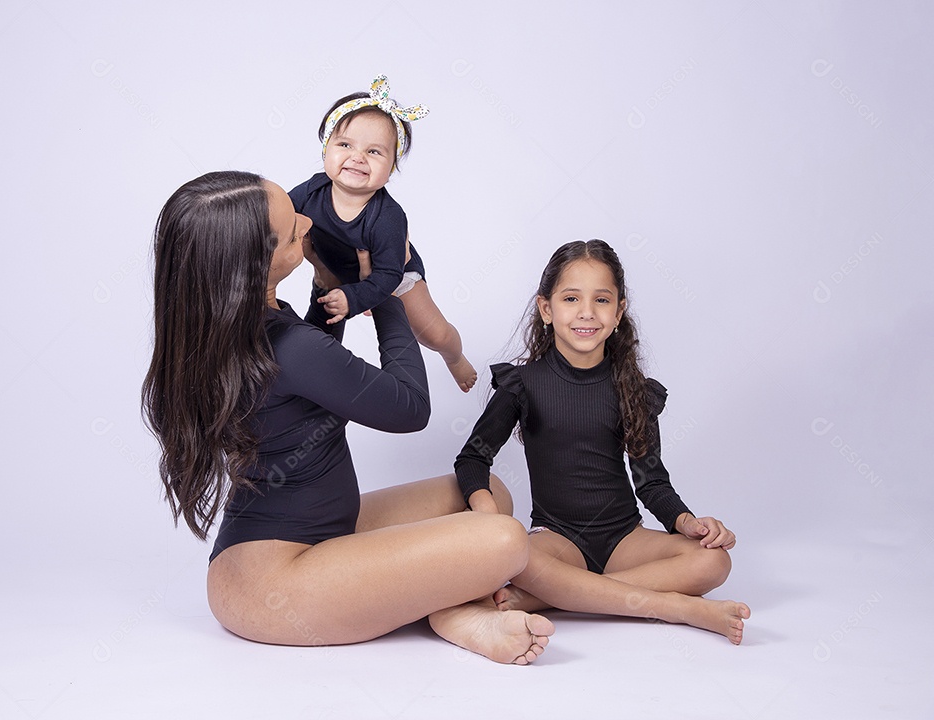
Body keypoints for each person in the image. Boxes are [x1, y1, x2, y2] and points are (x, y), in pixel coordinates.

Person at [141, 170, 553, 663]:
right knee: (504, 539)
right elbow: (409, 407)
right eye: (293, 228)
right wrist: (389, 289)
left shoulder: (231, 326)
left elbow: (313, 375)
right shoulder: (286, 347)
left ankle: (440, 606)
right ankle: (454, 613)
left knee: (488, 494)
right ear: (258, 265)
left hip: (318, 534)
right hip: (274, 582)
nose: (308, 218)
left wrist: (332, 290)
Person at [455, 240, 751, 644]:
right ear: (546, 309)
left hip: (624, 539)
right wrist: (489, 516)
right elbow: (472, 459)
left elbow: (652, 483)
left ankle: (557, 595)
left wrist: (688, 523)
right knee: (518, 558)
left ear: (619, 313)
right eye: (571, 298)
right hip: (557, 540)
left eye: (602, 300)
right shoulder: (522, 384)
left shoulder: (634, 389)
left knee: (714, 561)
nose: (586, 313)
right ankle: (677, 607)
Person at [289, 74, 477, 392]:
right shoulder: (313, 189)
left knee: (433, 333)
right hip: (337, 269)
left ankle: (454, 355)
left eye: (374, 152)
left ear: (391, 168)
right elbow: (281, 215)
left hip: (393, 274)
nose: (358, 157)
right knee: (319, 326)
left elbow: (388, 275)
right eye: (345, 144)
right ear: (326, 152)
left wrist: (356, 296)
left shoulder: (388, 217)